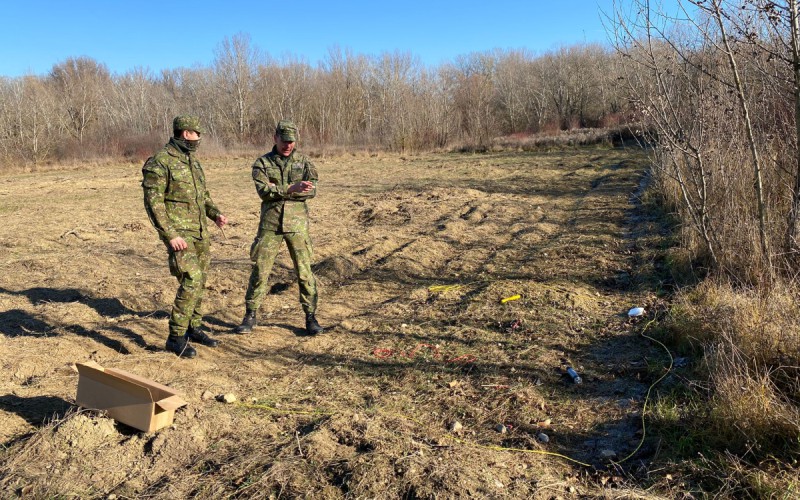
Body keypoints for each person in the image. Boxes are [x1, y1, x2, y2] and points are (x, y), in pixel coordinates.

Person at [142, 115, 228, 358]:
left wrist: (215, 214)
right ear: (186, 133)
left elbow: (203, 196)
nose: (199, 139)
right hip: (180, 235)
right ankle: (176, 336)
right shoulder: (161, 162)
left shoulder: (193, 162)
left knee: (201, 281)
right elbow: (153, 203)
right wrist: (169, 234)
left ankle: (194, 326)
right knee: (192, 278)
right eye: (197, 134)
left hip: (200, 231)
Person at [235, 119, 323, 336]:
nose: (288, 145)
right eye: (284, 141)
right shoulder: (262, 164)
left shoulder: (305, 163)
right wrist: (292, 188)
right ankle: (250, 315)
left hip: (297, 225)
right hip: (271, 225)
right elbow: (264, 191)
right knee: (260, 270)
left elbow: (311, 190)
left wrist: (279, 189)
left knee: (304, 271)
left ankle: (310, 317)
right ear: (275, 138)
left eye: (291, 142)